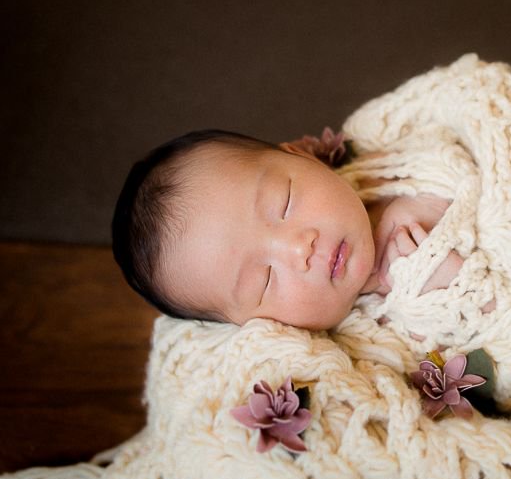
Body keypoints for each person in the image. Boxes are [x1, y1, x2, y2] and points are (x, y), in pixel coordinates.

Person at [112, 128, 468, 330]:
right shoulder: (368, 350)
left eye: (283, 203)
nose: (300, 250)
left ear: (303, 156)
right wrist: (459, 295)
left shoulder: (398, 162)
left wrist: (438, 201)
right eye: (264, 279)